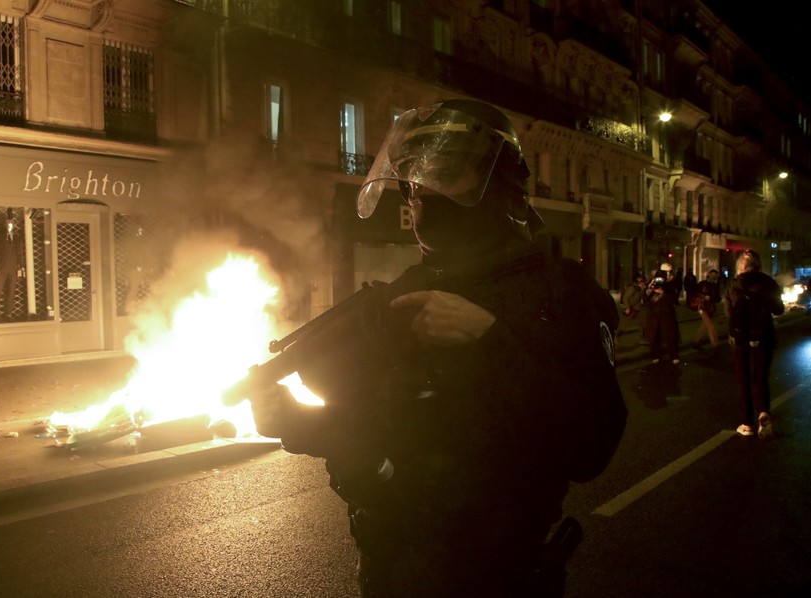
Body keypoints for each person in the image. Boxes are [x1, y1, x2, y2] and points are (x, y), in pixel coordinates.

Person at [247, 100, 627, 597]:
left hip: (496, 576)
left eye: (443, 172)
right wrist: (299, 422)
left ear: (501, 180)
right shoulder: (399, 294)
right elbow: (372, 430)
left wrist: (489, 341)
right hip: (389, 570)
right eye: (409, 180)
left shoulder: (560, 294)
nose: (420, 194)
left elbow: (591, 446)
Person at [724, 250, 784, 439]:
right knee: (761, 378)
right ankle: (764, 415)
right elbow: (779, 310)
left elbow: (729, 312)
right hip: (764, 335)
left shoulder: (733, 284)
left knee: (744, 379)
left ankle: (747, 423)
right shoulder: (768, 283)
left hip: (740, 338)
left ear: (740, 266)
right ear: (758, 265)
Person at [0, 215, 25, 321]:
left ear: (14, 226)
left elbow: (20, 254)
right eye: (8, 224)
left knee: (11, 291)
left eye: (11, 224)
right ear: (5, 225)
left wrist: (21, 267)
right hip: (1, 268)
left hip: (13, 269)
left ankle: (8, 314)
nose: (10, 226)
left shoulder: (17, 238)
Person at [643, 262, 681, 364]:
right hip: (654, 314)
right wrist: (650, 290)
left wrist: (664, 292)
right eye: (666, 272)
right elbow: (645, 299)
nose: (667, 274)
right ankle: (656, 355)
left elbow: (674, 299)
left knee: (670, 336)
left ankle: (674, 355)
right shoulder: (653, 282)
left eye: (669, 272)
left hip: (666, 313)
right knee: (655, 336)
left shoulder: (671, 284)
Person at [691, 269, 721, 349]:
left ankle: (696, 341)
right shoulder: (703, 284)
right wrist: (704, 296)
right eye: (712, 275)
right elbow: (694, 292)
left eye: (715, 276)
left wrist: (714, 298)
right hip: (702, 307)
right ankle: (715, 345)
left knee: (704, 325)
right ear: (708, 275)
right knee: (711, 326)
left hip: (710, 308)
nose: (714, 277)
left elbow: (718, 298)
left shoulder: (716, 285)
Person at [617, 272, 647, 343]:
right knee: (624, 325)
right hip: (631, 309)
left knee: (641, 324)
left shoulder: (640, 289)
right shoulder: (633, 288)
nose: (643, 283)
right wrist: (628, 308)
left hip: (637, 309)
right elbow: (625, 298)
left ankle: (642, 338)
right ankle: (616, 336)